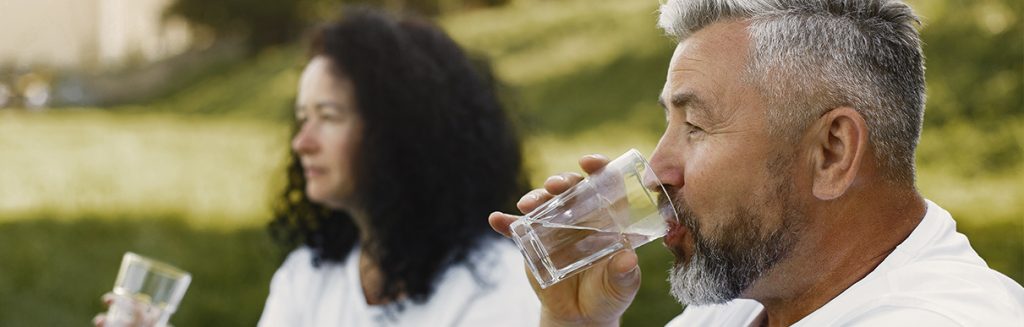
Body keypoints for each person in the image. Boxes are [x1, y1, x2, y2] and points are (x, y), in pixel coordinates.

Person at [489, 0, 1024, 326]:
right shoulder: (745, 298)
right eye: (668, 125)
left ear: (832, 152)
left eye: (694, 126)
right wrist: (576, 323)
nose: (656, 172)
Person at [258, 7, 540, 327]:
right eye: (303, 119)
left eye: (328, 117)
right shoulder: (307, 274)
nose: (302, 143)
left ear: (399, 132)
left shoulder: (499, 282)